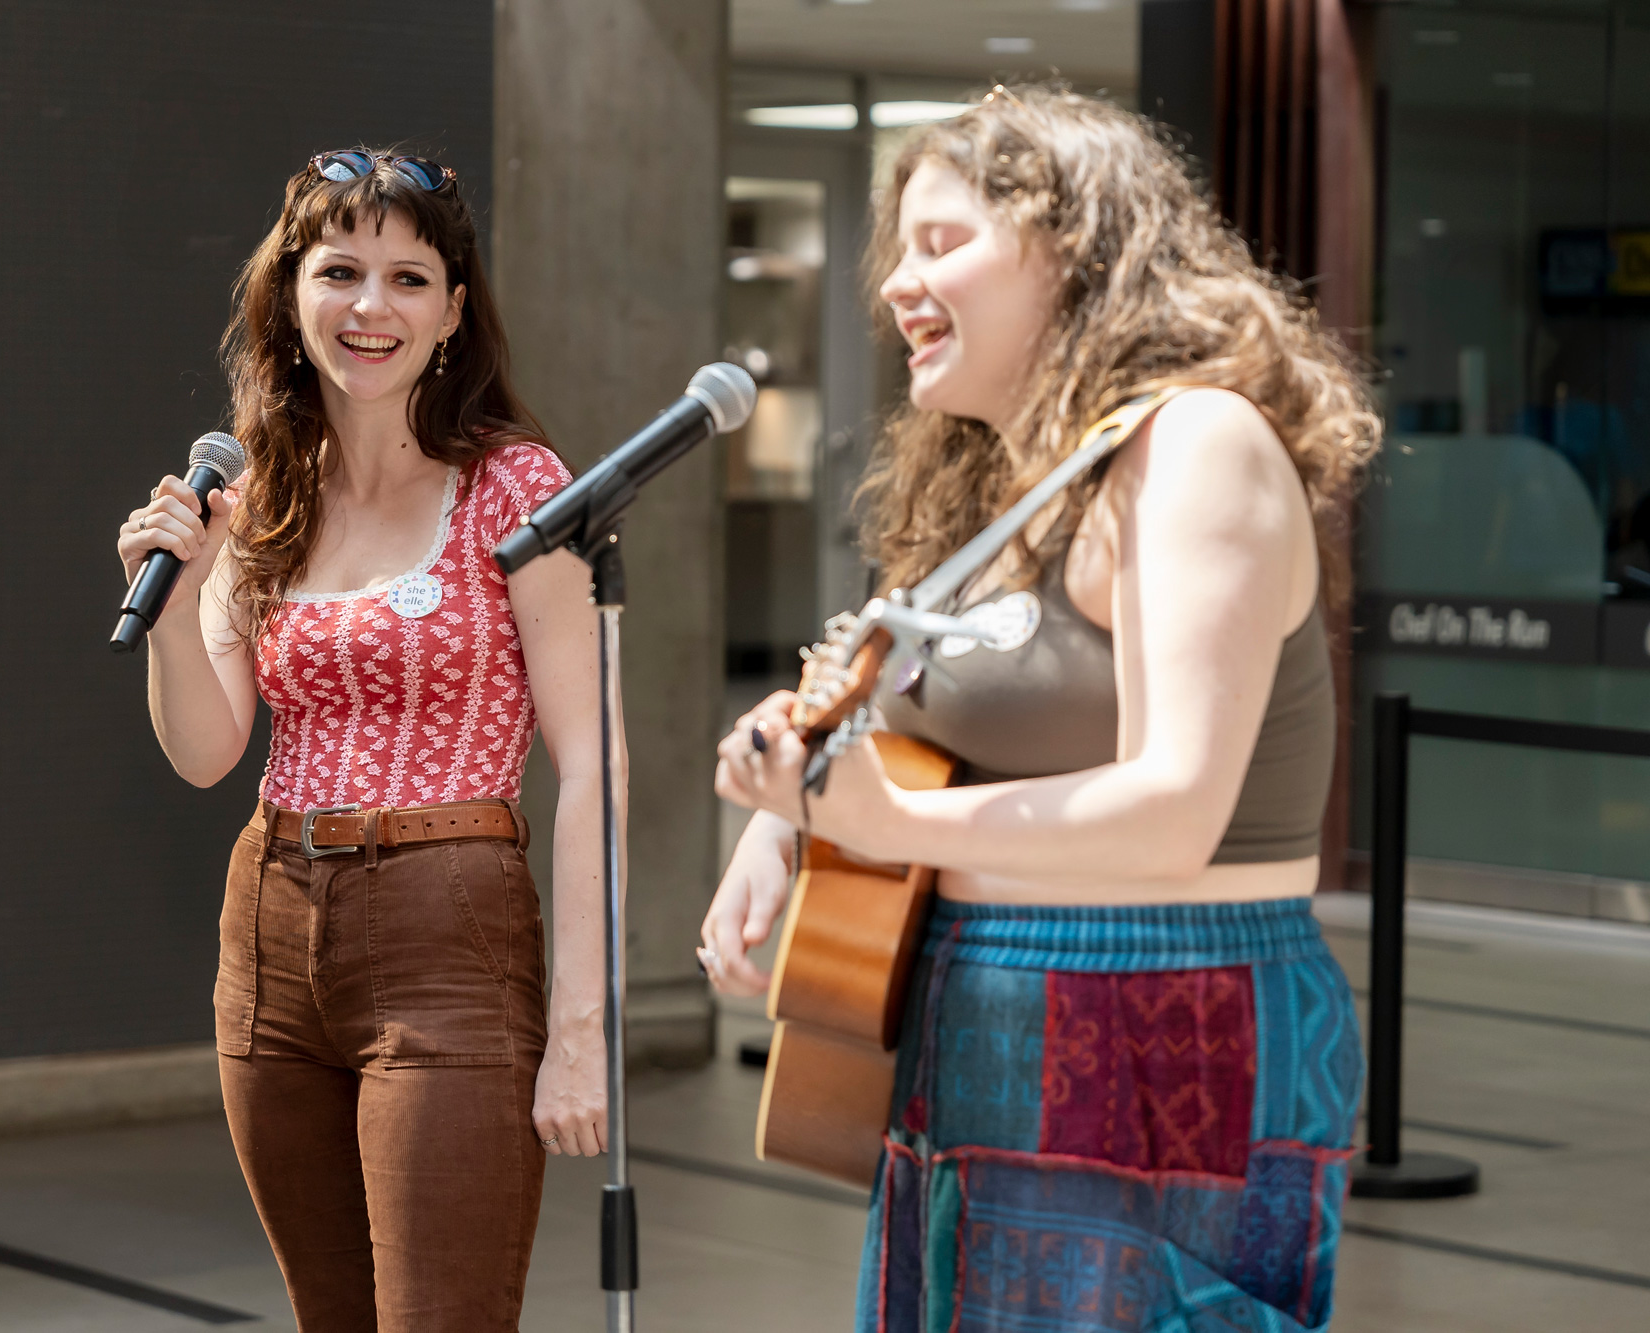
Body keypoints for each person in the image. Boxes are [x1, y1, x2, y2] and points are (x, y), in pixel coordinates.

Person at [701, 88, 1377, 1332]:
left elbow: (1172, 811)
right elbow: (886, 716)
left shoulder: (1196, 447)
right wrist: (786, 825)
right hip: (976, 1004)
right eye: (897, 249)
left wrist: (889, 822)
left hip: (1172, 1011)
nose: (899, 283)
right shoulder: (991, 481)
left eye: (943, 242)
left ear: (1071, 245)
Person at [115, 149, 609, 1332]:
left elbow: (596, 760)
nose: (370, 307)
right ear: (290, 297)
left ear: (450, 312)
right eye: (339, 271)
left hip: (452, 925)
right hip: (271, 923)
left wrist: (580, 1025)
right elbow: (203, 749)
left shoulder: (516, 487)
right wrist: (175, 612)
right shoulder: (260, 493)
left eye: (407, 277)